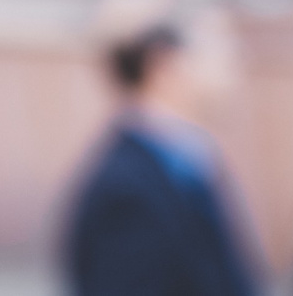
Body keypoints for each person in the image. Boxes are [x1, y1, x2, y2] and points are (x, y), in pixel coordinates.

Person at [65, 15, 258, 296]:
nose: (233, 73)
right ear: (165, 65)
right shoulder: (127, 191)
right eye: (218, 55)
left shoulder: (186, 166)